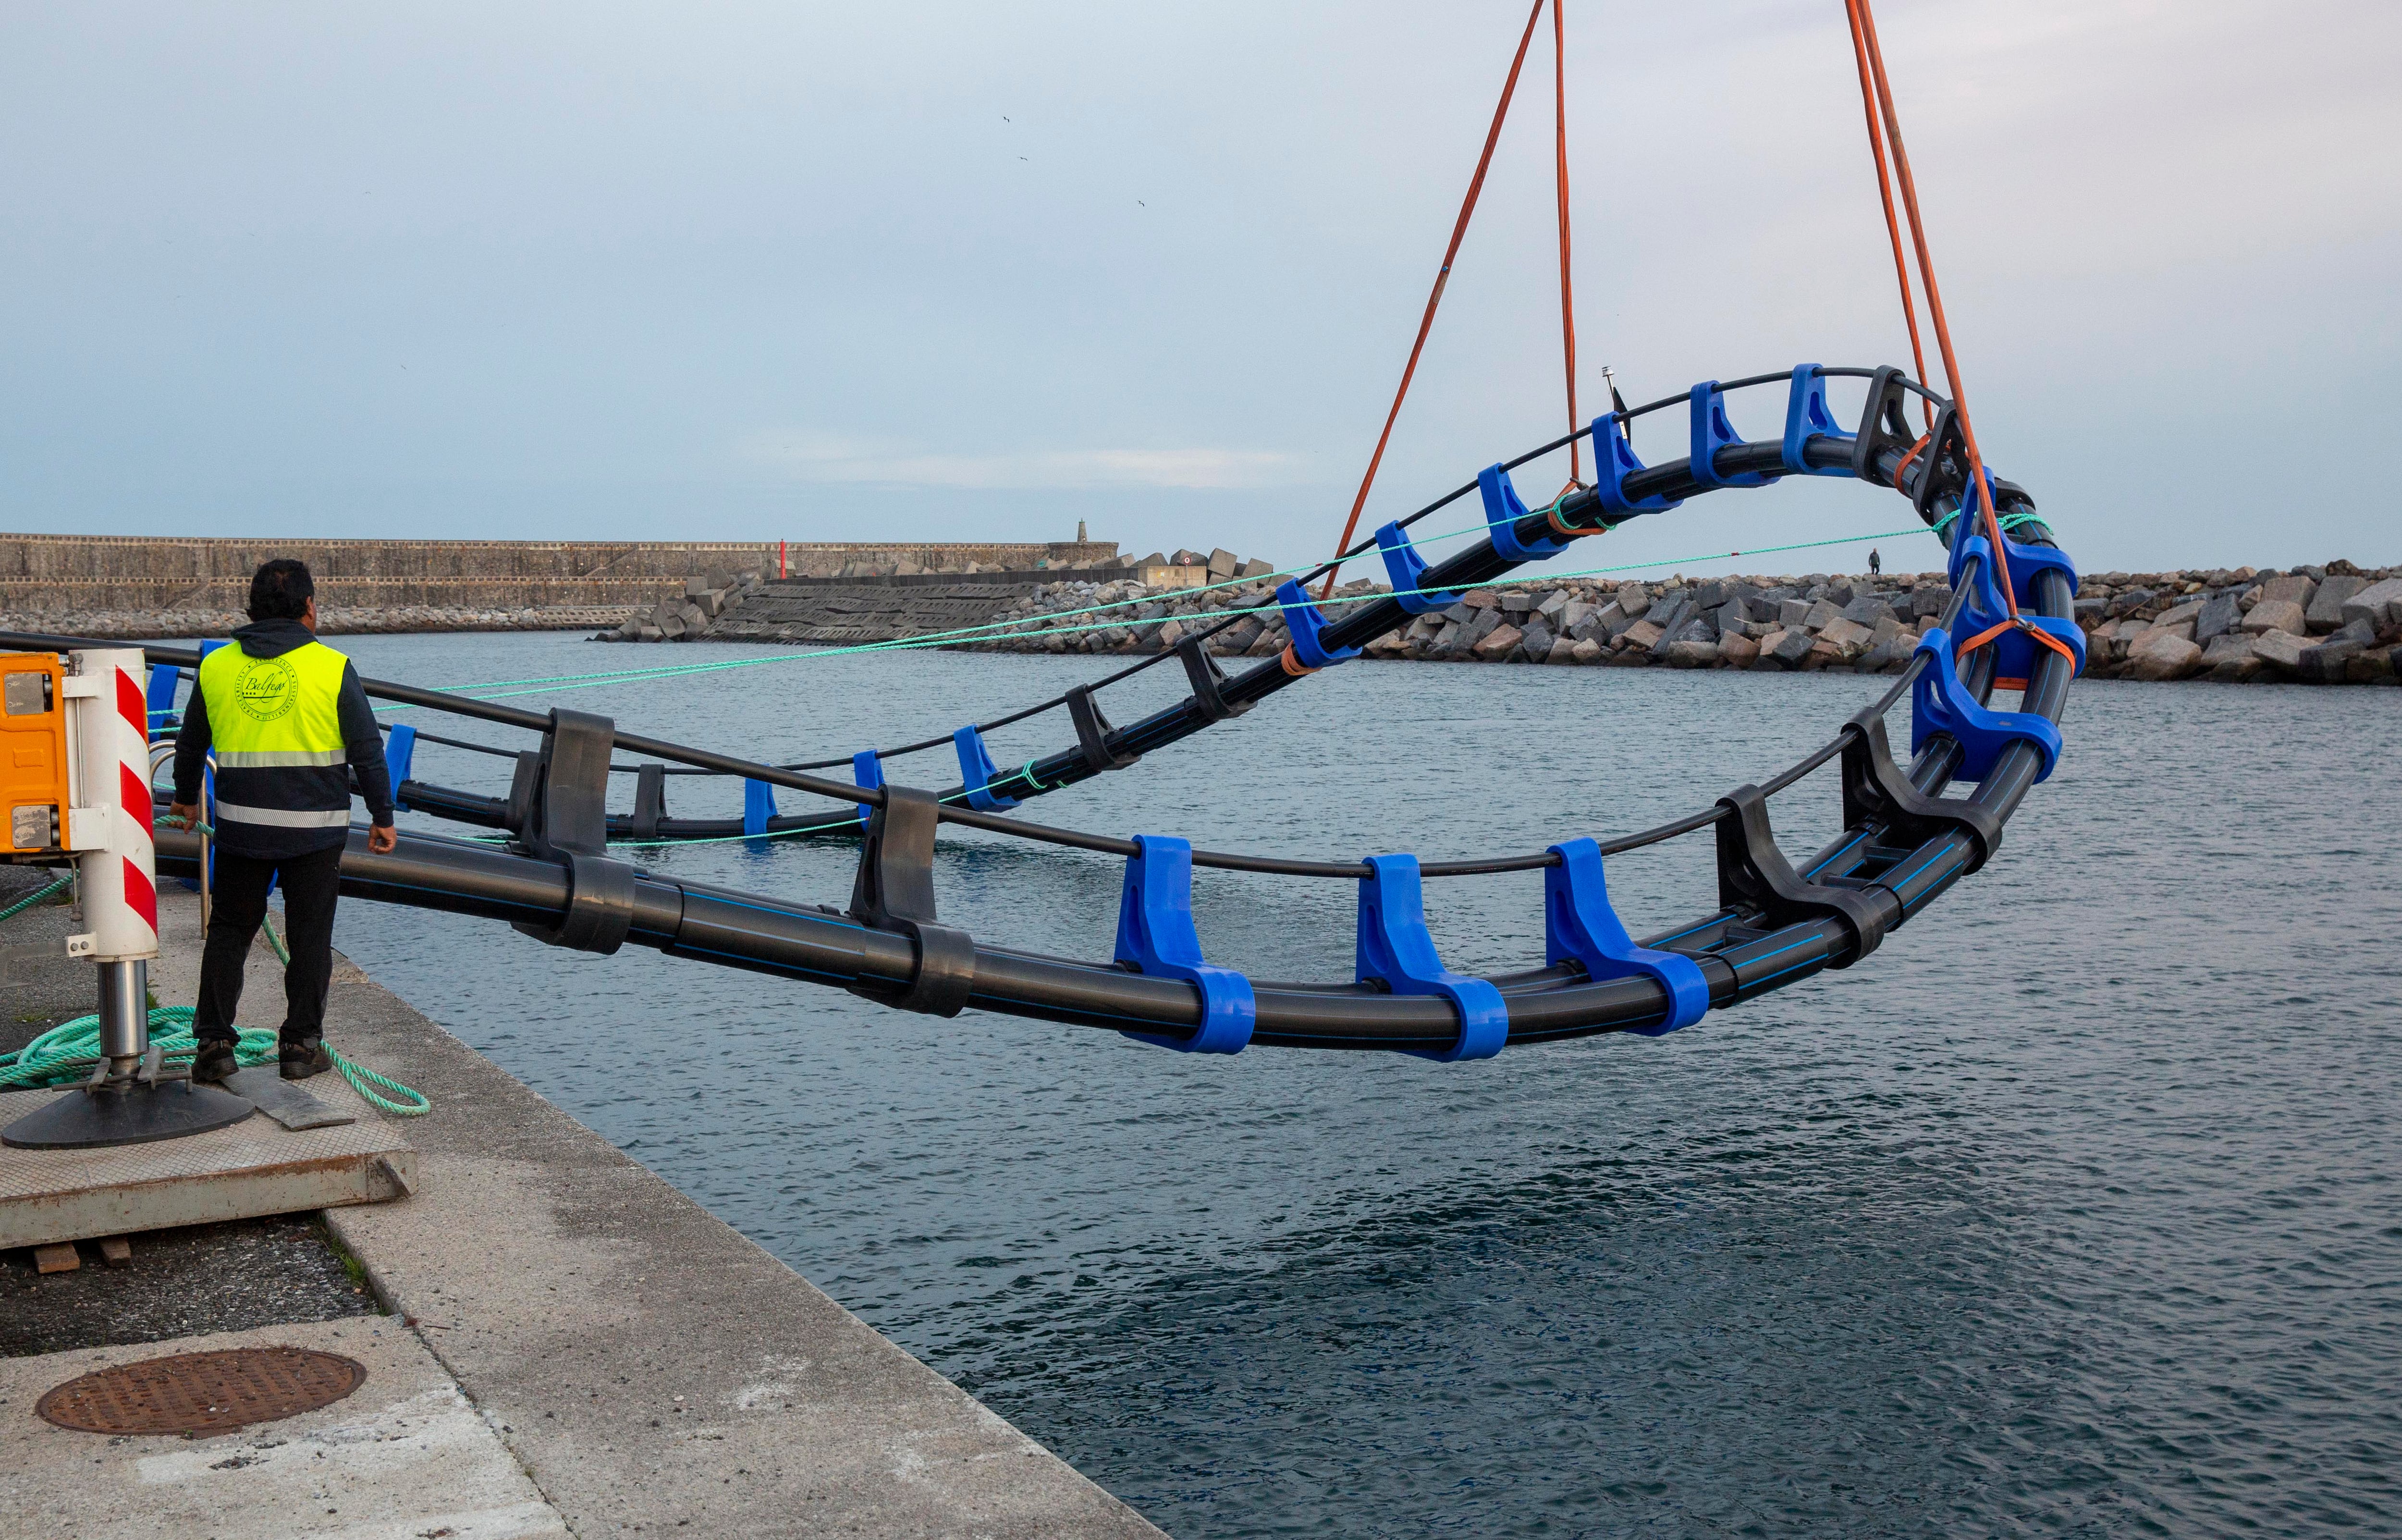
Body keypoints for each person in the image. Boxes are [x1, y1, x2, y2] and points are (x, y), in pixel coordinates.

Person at [167, 560, 398, 1083]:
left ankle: (214, 1045)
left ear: (251, 608)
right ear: (310, 607)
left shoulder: (219, 667)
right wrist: (382, 815)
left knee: (230, 931)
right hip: (314, 831)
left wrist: (184, 798)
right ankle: (299, 1046)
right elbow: (367, 749)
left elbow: (190, 743)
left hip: (242, 829)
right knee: (310, 937)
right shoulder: (332, 666)